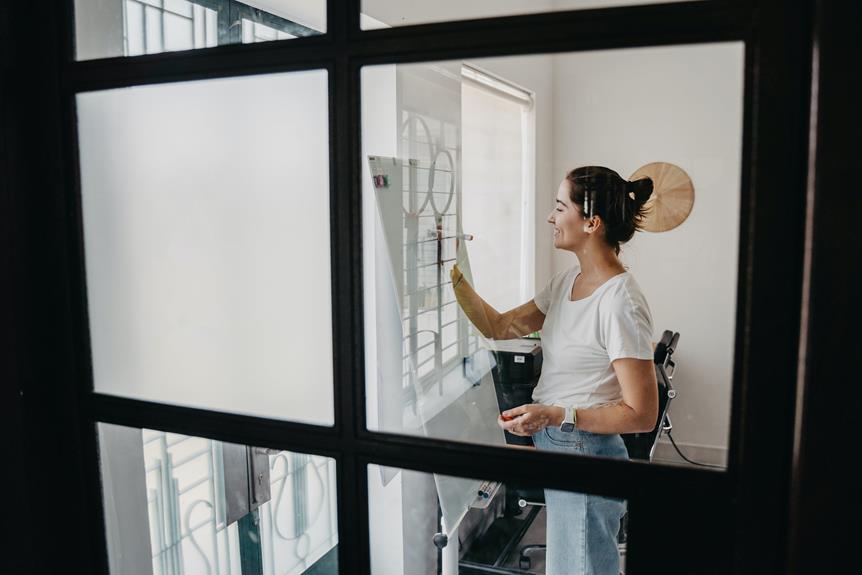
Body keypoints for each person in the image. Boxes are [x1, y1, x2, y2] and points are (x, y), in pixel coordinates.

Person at [450, 165, 658, 575]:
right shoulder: (567, 282)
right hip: (560, 446)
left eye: (560, 207)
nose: (550, 216)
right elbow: (501, 326)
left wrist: (556, 414)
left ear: (591, 223)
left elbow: (642, 413)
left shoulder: (620, 302)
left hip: (586, 450)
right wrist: (453, 273)